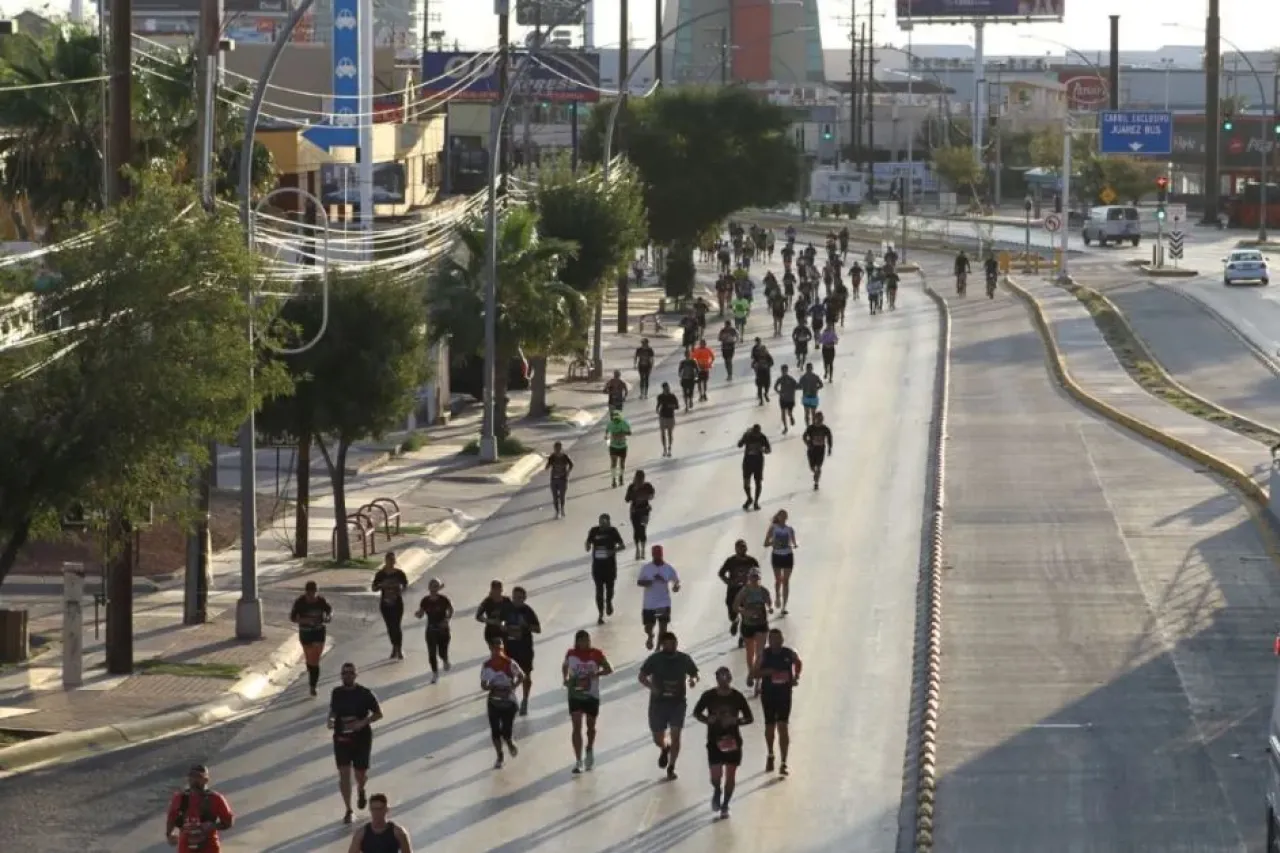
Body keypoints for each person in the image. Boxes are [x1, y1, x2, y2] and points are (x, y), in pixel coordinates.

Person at [692, 667, 754, 819]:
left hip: (733, 741)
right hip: (714, 740)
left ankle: (725, 804)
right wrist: (708, 720)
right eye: (721, 677)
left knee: (731, 775)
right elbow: (696, 713)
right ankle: (717, 790)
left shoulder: (738, 697)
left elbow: (749, 718)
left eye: (727, 677)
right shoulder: (708, 696)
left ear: (731, 678)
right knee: (715, 776)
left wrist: (736, 721)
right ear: (717, 679)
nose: (724, 680)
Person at [638, 631, 700, 781]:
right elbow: (641, 676)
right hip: (658, 703)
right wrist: (652, 687)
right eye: (667, 644)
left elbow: (695, 673)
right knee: (658, 738)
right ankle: (665, 748)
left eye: (673, 643)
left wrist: (693, 680)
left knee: (676, 735)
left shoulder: (684, 659)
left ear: (676, 644)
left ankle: (672, 766)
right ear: (662, 645)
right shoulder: (655, 659)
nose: (670, 646)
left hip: (677, 703)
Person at [328, 662, 383, 824]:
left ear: (355, 675)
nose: (347, 676)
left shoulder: (365, 693)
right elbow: (333, 711)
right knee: (344, 774)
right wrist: (330, 720)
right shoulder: (336, 693)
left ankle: (361, 788)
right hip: (341, 738)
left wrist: (362, 723)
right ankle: (348, 810)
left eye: (351, 673)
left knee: (360, 774)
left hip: (361, 738)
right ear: (341, 676)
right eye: (344, 673)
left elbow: (378, 714)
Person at [563, 630, 614, 774]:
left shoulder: (596, 653)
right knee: (576, 726)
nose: (586, 643)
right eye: (583, 640)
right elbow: (565, 666)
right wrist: (565, 678)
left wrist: (595, 674)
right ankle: (578, 761)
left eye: (588, 640)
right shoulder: (571, 653)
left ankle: (589, 748)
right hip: (575, 695)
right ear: (577, 642)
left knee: (590, 727)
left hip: (592, 695)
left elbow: (609, 669)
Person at [753, 628, 802, 776]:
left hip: (784, 695)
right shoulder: (764, 655)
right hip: (768, 695)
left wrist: (796, 676)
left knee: (783, 727)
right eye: (772, 640)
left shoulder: (789, 653)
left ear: (782, 640)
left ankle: (784, 762)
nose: (776, 642)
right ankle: (770, 754)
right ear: (769, 641)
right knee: (770, 727)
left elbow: (798, 662)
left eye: (778, 639)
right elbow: (754, 673)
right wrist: (768, 672)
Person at [165, 764, 234, 853]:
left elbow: (228, 821)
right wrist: (169, 834)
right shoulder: (180, 798)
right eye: (192, 776)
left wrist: (213, 826)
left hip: (209, 847)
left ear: (206, 780)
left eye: (198, 777)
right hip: (185, 847)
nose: (194, 780)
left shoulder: (216, 798)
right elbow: (172, 817)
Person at [481, 637, 525, 768]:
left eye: (499, 649)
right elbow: (483, 685)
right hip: (494, 701)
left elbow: (522, 676)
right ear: (490, 649)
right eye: (495, 649)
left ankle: (510, 742)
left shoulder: (510, 663)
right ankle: (500, 755)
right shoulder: (487, 665)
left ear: (503, 649)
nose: (497, 652)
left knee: (506, 732)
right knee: (495, 731)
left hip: (509, 701)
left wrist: (513, 687)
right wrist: (491, 687)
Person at [503, 586, 541, 716]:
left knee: (526, 676)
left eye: (520, 598)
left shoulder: (528, 611)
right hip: (509, 649)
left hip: (525, 649)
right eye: (515, 597)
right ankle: (510, 699)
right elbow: (499, 623)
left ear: (524, 598)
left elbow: (538, 629)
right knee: (508, 676)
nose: (517, 600)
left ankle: (525, 700)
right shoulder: (506, 609)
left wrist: (526, 625)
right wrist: (503, 628)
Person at [733, 568, 773, 692]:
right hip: (747, 625)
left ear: (760, 579)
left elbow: (769, 603)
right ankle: (752, 672)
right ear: (749, 579)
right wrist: (745, 612)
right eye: (753, 578)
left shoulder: (763, 591)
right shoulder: (744, 591)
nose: (755, 580)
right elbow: (735, 606)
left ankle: (756, 679)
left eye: (757, 578)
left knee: (760, 653)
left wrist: (769, 608)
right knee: (750, 653)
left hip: (761, 625)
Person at [290, 580, 332, 697]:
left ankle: (313, 685)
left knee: (315, 659)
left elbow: (330, 610)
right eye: (310, 594)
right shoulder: (300, 602)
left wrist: (328, 617)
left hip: (319, 632)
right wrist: (305, 621)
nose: (312, 597)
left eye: (314, 593)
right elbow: (293, 617)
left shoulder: (321, 601)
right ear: (306, 593)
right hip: (305, 633)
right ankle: (311, 675)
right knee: (309, 659)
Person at [637, 544, 680, 649]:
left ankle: (657, 648)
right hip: (649, 604)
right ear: (652, 555)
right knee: (648, 627)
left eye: (658, 555)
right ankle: (650, 636)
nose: (656, 557)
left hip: (663, 603)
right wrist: (648, 582)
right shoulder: (646, 568)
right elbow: (639, 582)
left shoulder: (668, 568)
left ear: (662, 555)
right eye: (654, 555)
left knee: (663, 626)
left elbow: (676, 583)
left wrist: (675, 587)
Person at [585, 514, 626, 624]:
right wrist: (588, 545)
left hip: (610, 567)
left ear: (608, 522)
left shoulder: (613, 531)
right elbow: (588, 543)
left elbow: (622, 546)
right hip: (597, 567)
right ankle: (600, 614)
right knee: (599, 591)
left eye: (604, 523)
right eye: (600, 522)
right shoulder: (594, 531)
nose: (602, 525)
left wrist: (611, 552)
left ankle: (608, 602)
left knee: (610, 590)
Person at [717, 540, 760, 647]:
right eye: (740, 547)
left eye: (744, 547)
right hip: (733, 591)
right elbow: (721, 573)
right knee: (732, 613)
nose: (742, 549)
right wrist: (729, 583)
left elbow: (758, 575)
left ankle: (742, 637)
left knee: (745, 614)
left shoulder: (752, 561)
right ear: (735, 549)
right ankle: (735, 621)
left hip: (747, 591)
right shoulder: (731, 561)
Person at [371, 553, 408, 661]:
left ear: (395, 561)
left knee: (396, 626)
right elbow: (374, 588)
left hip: (397, 603)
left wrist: (400, 587)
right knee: (390, 627)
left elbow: (405, 585)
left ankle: (399, 649)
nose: (391, 562)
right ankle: (394, 647)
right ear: (385, 561)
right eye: (389, 560)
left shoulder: (399, 574)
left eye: (393, 560)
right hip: (385, 604)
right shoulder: (380, 574)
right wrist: (381, 585)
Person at [413, 578, 452, 684]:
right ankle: (435, 673)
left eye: (436, 586)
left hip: (443, 630)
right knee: (431, 653)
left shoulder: (444, 599)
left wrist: (447, 619)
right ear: (429, 587)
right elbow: (421, 613)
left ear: (439, 588)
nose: (434, 588)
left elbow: (450, 610)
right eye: (432, 586)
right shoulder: (425, 600)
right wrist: (418, 614)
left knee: (442, 652)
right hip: (431, 630)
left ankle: (445, 659)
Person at [346, 793, 412, 852]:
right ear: (370, 810)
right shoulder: (361, 834)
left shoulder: (399, 833)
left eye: (380, 809)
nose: (376, 813)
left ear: (386, 809)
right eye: (373, 809)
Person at [764, 510, 798, 616]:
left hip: (788, 556)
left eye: (784, 516)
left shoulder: (790, 529)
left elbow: (793, 542)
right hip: (777, 556)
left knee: (786, 581)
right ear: (778, 517)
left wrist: (794, 545)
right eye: (781, 515)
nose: (783, 517)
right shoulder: (773, 528)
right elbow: (765, 543)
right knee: (778, 579)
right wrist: (773, 543)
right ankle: (778, 595)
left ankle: (784, 607)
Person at [737, 424, 772, 511]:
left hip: (758, 462)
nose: (756, 435)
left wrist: (763, 450)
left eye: (757, 433)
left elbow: (769, 450)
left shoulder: (762, 437)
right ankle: (749, 498)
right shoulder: (748, 435)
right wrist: (743, 438)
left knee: (758, 482)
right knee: (746, 482)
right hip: (748, 462)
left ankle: (756, 501)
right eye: (754, 433)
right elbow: (739, 445)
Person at [625, 470, 657, 560]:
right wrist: (633, 492)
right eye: (638, 478)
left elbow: (652, 495)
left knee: (642, 529)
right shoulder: (631, 487)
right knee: (636, 530)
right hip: (634, 512)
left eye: (641, 478)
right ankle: (637, 549)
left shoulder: (647, 486)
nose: (640, 480)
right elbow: (627, 499)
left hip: (644, 511)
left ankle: (642, 549)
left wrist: (647, 496)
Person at [475, 579, 515, 644]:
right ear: (492, 590)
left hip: (505, 632)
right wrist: (489, 621)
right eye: (495, 590)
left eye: (498, 590)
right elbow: (478, 616)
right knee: (497, 651)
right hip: (491, 633)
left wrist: (504, 623)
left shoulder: (506, 600)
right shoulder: (487, 602)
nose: (497, 593)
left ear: (501, 590)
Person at [802, 411, 834, 490]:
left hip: (821, 449)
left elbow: (829, 438)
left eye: (821, 419)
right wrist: (807, 443)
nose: (819, 421)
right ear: (815, 419)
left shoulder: (825, 429)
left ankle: (816, 482)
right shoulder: (811, 428)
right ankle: (815, 473)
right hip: (812, 449)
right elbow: (804, 436)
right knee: (812, 467)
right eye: (818, 419)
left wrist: (830, 448)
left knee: (818, 467)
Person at [545, 441, 574, 518]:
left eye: (558, 448)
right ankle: (557, 512)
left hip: (563, 479)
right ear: (554, 448)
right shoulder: (552, 457)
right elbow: (547, 467)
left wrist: (568, 473)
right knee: (555, 498)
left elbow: (571, 465)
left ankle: (562, 509)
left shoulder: (564, 457)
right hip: (554, 479)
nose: (557, 450)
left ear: (561, 448)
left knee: (562, 496)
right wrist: (547, 464)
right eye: (555, 448)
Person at [604, 409, 632, 488]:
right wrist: (606, 436)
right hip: (613, 446)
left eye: (617, 419)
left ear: (620, 417)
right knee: (614, 463)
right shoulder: (610, 424)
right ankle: (613, 480)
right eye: (614, 418)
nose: (616, 420)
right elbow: (607, 430)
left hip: (622, 446)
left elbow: (630, 432)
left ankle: (621, 477)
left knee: (622, 464)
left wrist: (622, 433)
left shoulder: (624, 423)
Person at [773, 365, 799, 435]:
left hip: (790, 399)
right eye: (783, 371)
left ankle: (791, 417)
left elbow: (797, 386)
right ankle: (785, 427)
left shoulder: (791, 379)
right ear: (781, 371)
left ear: (787, 371)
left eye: (785, 370)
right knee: (783, 413)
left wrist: (793, 389)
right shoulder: (780, 379)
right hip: (783, 399)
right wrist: (779, 392)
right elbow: (775, 387)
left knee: (789, 413)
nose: (784, 372)